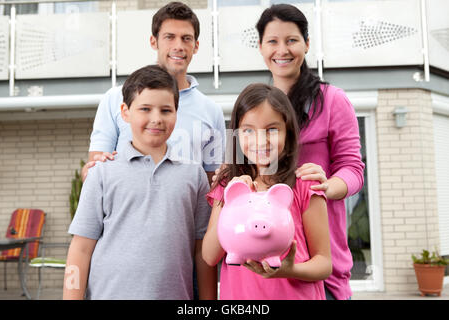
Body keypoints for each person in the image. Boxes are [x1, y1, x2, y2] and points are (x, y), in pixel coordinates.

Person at [63, 65, 215, 300]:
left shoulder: (193, 175)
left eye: (166, 110)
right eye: (145, 109)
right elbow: (80, 250)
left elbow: (201, 252)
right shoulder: (102, 173)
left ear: (177, 112)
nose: (156, 119)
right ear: (125, 112)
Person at [256, 4, 365, 300]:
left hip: (318, 261)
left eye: (291, 40)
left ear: (307, 43)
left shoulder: (332, 100)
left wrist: (327, 186)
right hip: (264, 260)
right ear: (260, 46)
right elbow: (239, 169)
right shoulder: (254, 104)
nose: (282, 50)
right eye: (273, 41)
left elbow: (353, 170)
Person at [202, 83, 332, 300]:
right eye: (248, 131)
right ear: (236, 134)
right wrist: (231, 201)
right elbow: (209, 256)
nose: (260, 140)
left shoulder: (305, 185)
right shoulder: (227, 186)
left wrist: (290, 271)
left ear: (287, 133)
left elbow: (324, 263)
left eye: (272, 129)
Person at [82, 2, 225, 184]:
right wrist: (89, 171)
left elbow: (213, 184)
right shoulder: (115, 99)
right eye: (169, 37)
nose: (178, 46)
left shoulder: (212, 111)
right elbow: (95, 171)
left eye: (186, 38)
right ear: (153, 41)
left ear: (196, 46)